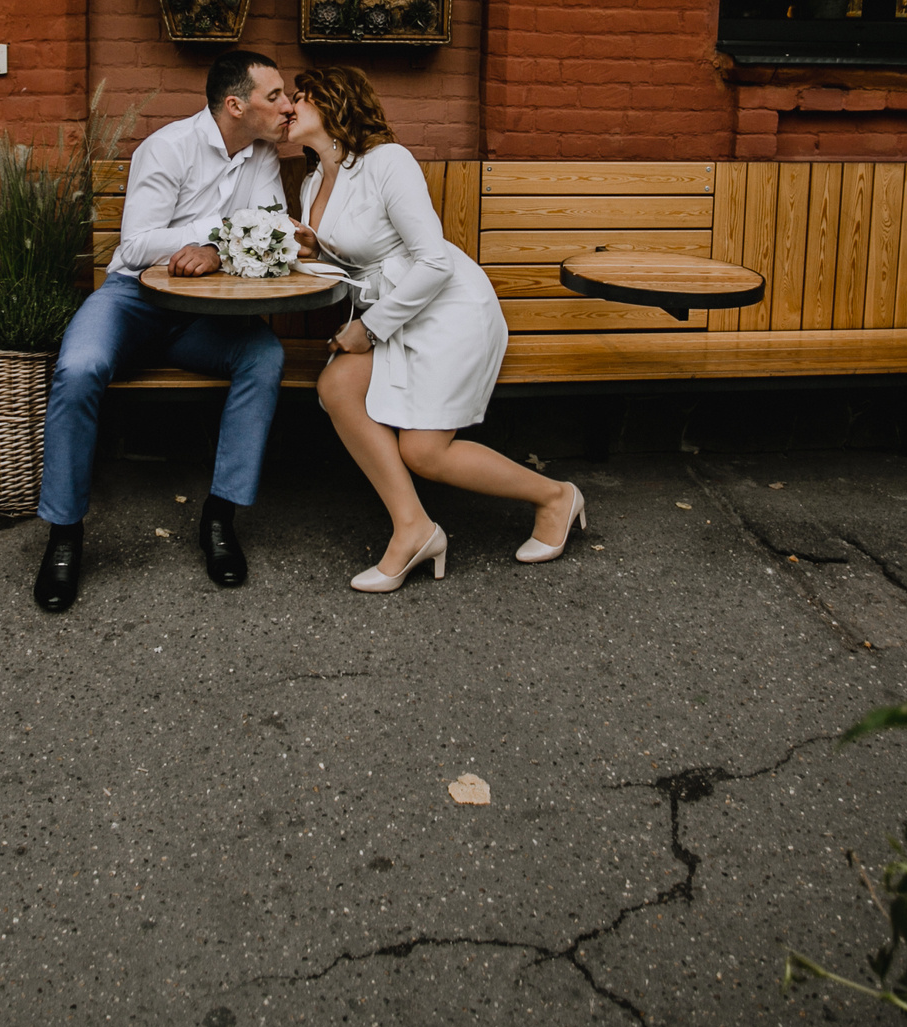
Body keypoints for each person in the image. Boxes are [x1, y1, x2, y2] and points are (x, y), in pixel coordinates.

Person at [290, 67, 586, 591]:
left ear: (332, 103)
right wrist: (317, 251)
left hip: (448, 311)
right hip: (396, 317)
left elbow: (433, 262)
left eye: (299, 96)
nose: (288, 107)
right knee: (337, 385)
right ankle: (414, 528)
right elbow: (362, 257)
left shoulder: (387, 162)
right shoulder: (312, 181)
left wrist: (369, 329)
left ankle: (557, 497)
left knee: (424, 452)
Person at [32, 49, 299, 613]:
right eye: (275, 96)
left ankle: (220, 517)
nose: (288, 106)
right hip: (134, 300)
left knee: (264, 357)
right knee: (78, 369)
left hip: (206, 315)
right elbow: (136, 246)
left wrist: (214, 248)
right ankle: (64, 534)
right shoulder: (168, 147)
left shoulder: (262, 156)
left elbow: (274, 230)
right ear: (236, 105)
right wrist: (222, 234)